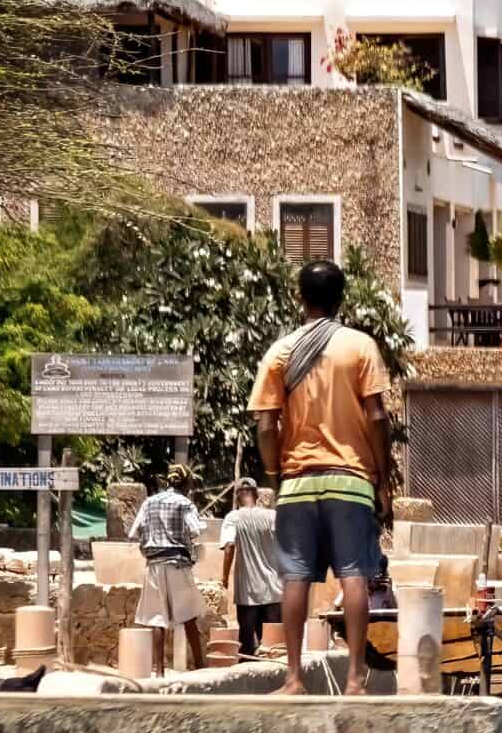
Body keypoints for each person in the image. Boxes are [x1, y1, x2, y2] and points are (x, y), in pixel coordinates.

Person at [252, 258, 391, 696]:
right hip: (351, 480)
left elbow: (264, 425)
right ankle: (354, 679)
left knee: (294, 578)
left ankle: (293, 678)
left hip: (295, 480)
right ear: (341, 298)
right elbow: (376, 415)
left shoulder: (279, 353)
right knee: (353, 575)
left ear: (300, 298)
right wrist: (382, 478)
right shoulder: (360, 347)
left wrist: (276, 476)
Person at [132, 462, 209, 675]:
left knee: (157, 618)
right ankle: (201, 667)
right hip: (177, 564)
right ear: (186, 483)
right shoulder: (185, 504)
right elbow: (195, 530)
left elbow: (135, 531)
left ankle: (158, 672)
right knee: (189, 616)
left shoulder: (149, 502)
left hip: (154, 565)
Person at [220, 482, 283, 656]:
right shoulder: (273, 516)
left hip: (247, 592)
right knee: (275, 645)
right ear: (257, 495)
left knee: (247, 643)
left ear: (237, 496)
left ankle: (250, 679)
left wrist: (224, 577)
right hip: (274, 589)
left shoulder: (233, 518)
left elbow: (229, 547)